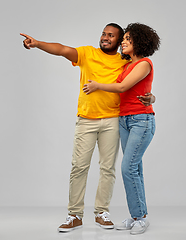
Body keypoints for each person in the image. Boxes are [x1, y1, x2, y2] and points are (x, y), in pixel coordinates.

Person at [20, 23, 155, 232]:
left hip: (113, 120)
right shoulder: (87, 53)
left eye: (112, 36)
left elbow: (137, 84)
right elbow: (62, 49)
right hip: (86, 119)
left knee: (108, 169)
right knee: (79, 167)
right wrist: (38, 44)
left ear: (119, 41)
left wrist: (152, 97)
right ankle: (74, 215)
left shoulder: (125, 61)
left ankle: (102, 212)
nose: (106, 37)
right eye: (104, 33)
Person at [83, 23, 160, 235]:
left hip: (141, 121)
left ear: (139, 42)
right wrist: (152, 96)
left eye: (128, 39)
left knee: (128, 168)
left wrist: (97, 85)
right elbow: (139, 90)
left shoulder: (144, 63)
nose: (123, 42)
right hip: (124, 120)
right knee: (135, 169)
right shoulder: (126, 66)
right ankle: (139, 216)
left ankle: (139, 218)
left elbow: (123, 87)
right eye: (123, 38)